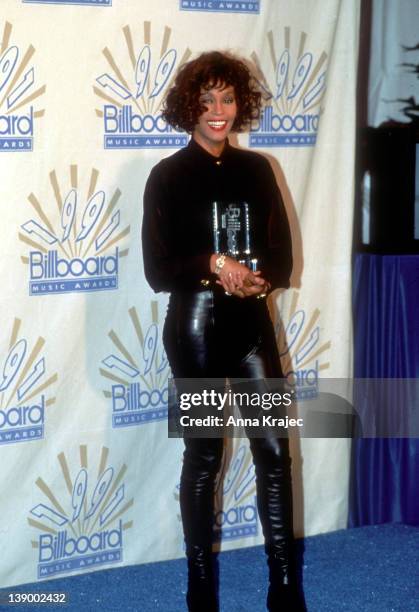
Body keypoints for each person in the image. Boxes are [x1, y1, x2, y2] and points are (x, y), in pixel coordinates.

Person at [142, 51, 304, 612]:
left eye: (228, 98)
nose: (218, 111)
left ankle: (285, 588)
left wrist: (257, 283)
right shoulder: (166, 176)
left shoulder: (258, 169)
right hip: (195, 331)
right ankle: (201, 588)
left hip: (252, 326)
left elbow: (282, 260)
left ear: (241, 103)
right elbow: (157, 270)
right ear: (190, 106)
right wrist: (215, 265)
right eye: (206, 100)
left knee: (275, 453)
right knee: (205, 456)